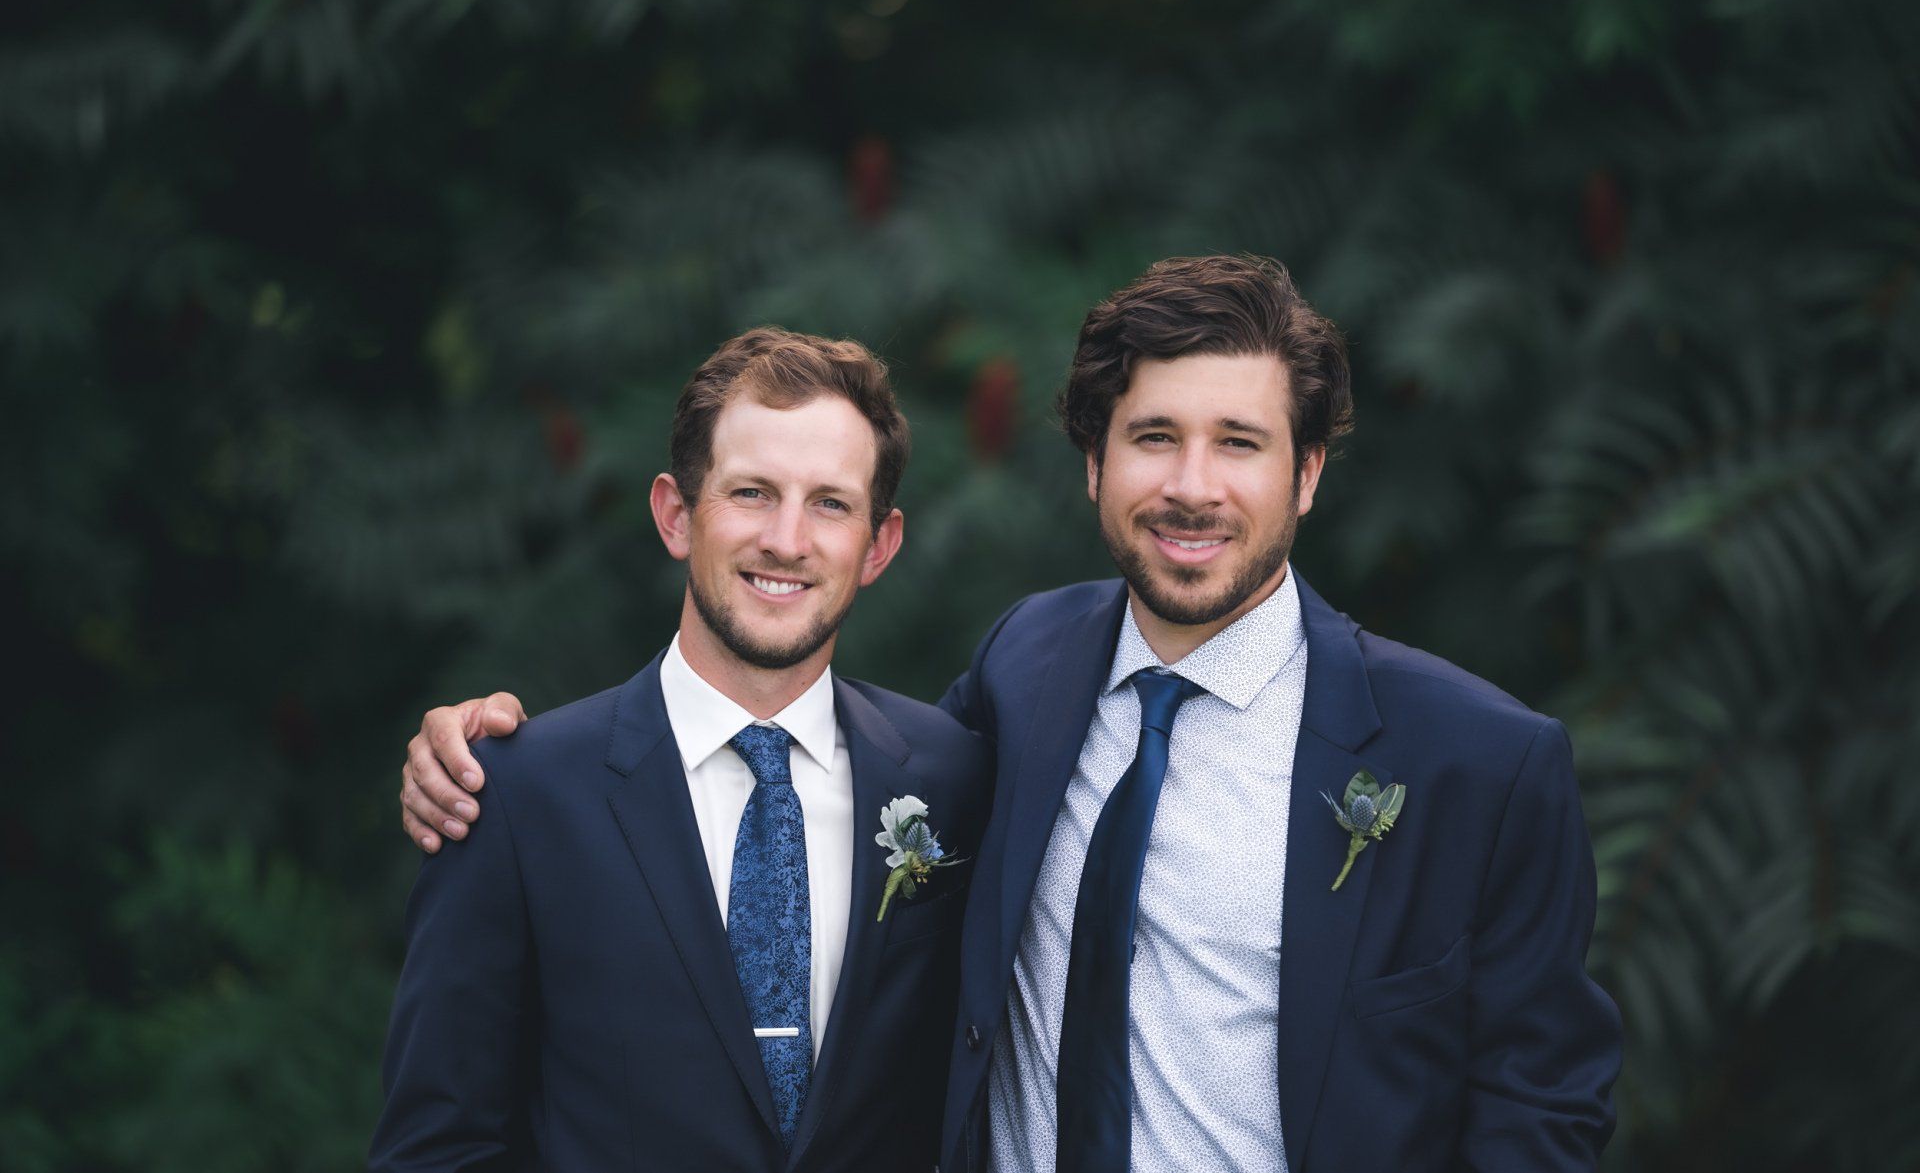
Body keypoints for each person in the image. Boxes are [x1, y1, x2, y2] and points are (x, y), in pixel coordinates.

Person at [399, 255, 1623, 1172]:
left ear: (1304, 474)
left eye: (1239, 443)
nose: (1192, 486)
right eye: (1153, 438)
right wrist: (473, 746)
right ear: (1094, 464)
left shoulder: (1475, 765)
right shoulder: (1024, 677)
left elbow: (1545, 1119)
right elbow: (771, 757)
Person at [369, 329, 992, 1171]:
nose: (786, 537)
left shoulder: (952, 778)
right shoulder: (514, 794)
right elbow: (437, 1147)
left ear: (877, 545)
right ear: (674, 513)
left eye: (831, 503)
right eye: (751, 492)